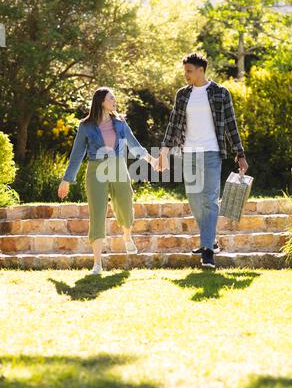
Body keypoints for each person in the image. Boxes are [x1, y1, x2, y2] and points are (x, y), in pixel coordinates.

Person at [156, 53, 249, 269]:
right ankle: (211, 240)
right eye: (185, 71)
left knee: (209, 198)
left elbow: (231, 125)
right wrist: (164, 151)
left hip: (211, 152)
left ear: (201, 70)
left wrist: (240, 153)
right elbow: (173, 124)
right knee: (194, 199)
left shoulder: (220, 93)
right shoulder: (182, 95)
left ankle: (207, 250)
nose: (186, 75)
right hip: (188, 153)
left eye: (189, 71)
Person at [58, 87, 158, 275]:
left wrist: (151, 160)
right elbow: (77, 154)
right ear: (102, 101)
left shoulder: (120, 123)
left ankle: (127, 237)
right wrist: (66, 180)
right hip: (96, 170)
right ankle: (97, 263)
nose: (114, 101)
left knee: (125, 202)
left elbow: (135, 145)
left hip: (119, 167)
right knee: (97, 213)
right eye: (111, 98)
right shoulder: (86, 126)